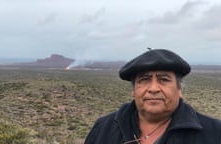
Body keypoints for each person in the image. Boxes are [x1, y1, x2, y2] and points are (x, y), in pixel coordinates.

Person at [84, 49, 221, 144]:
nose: (153, 88)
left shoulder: (214, 133)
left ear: (179, 90)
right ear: (134, 90)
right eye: (144, 79)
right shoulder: (103, 128)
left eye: (164, 79)